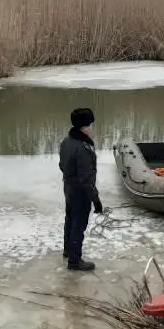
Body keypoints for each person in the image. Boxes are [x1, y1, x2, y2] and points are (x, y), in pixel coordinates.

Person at [58, 107, 103, 271]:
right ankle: (74, 261)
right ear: (84, 128)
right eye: (92, 125)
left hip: (69, 188)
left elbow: (62, 165)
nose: (94, 128)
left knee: (70, 219)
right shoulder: (83, 149)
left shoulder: (66, 141)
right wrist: (96, 200)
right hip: (80, 192)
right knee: (78, 224)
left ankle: (68, 250)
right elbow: (87, 179)